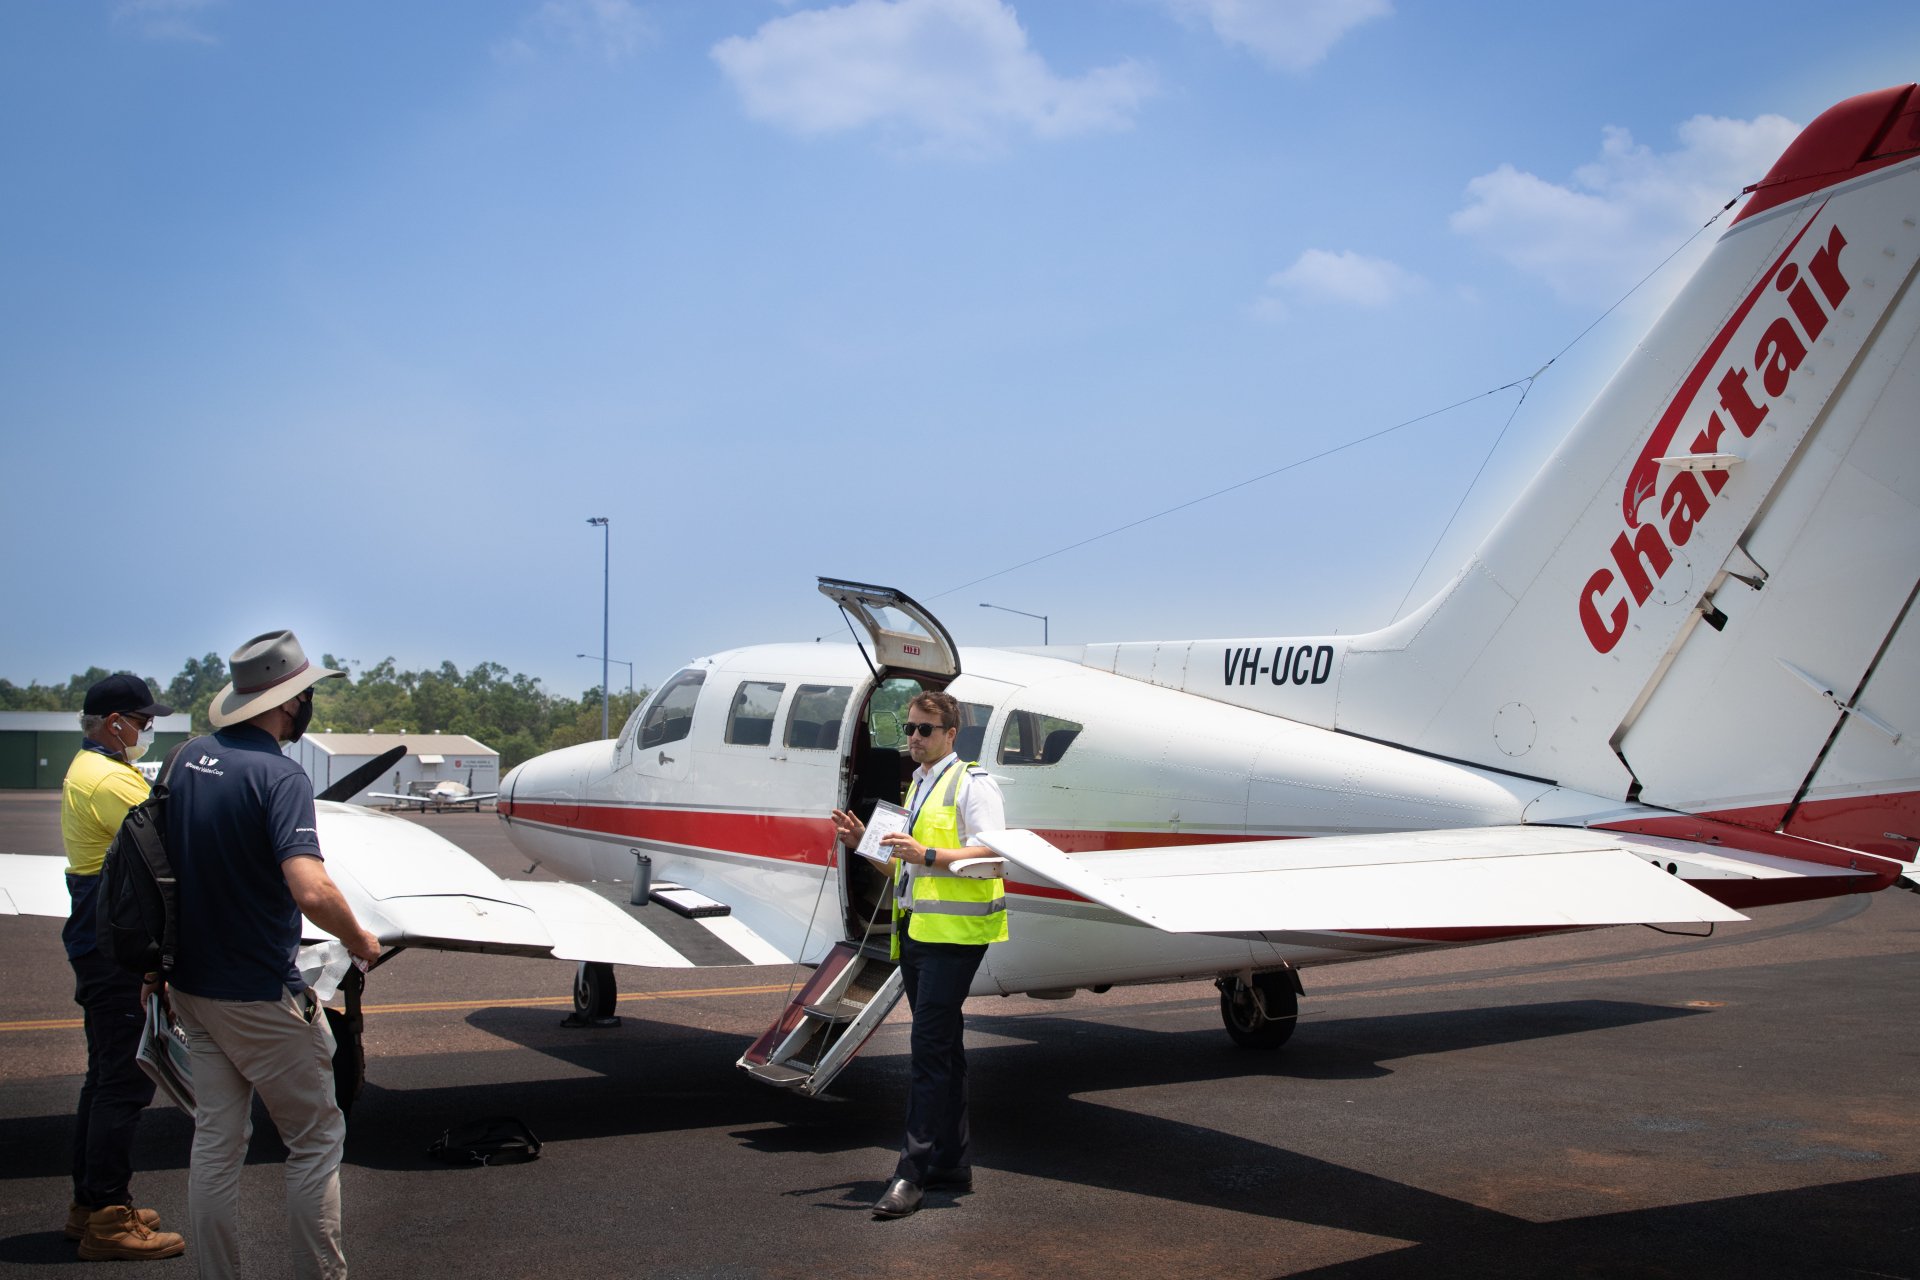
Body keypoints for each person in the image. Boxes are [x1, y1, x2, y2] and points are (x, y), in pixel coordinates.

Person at [163, 630, 381, 1280]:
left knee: (216, 1142)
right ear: (290, 703)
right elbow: (310, 887)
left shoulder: (184, 760)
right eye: (306, 692)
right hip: (257, 992)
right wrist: (358, 937)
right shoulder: (281, 776)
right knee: (316, 1140)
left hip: (191, 989)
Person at [830, 690, 1008, 1219]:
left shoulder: (973, 784)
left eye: (924, 730)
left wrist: (927, 852)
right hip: (916, 933)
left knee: (928, 1050)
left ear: (951, 735)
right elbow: (902, 870)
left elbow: (996, 853)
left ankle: (911, 1172)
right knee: (944, 1047)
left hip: (955, 938)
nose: (913, 738)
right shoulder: (919, 785)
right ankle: (952, 1160)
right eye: (908, 728)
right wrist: (866, 843)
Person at [60, 673, 188, 1261]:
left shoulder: (90, 769)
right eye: (143, 721)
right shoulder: (110, 779)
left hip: (92, 927)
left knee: (104, 1075)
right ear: (115, 723)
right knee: (125, 1081)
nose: (147, 730)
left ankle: (91, 1206)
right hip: (111, 939)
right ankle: (110, 1221)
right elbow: (168, 844)